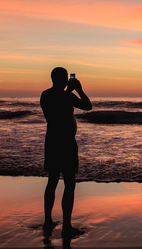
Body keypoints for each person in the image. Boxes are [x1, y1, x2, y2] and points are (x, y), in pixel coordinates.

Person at [40, 67, 92, 238]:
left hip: (52, 142)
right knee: (69, 184)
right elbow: (87, 106)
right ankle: (67, 226)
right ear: (64, 80)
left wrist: (68, 91)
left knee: (52, 181)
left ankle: (48, 221)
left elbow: (58, 103)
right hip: (67, 144)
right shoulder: (67, 96)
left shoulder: (45, 95)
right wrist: (79, 89)